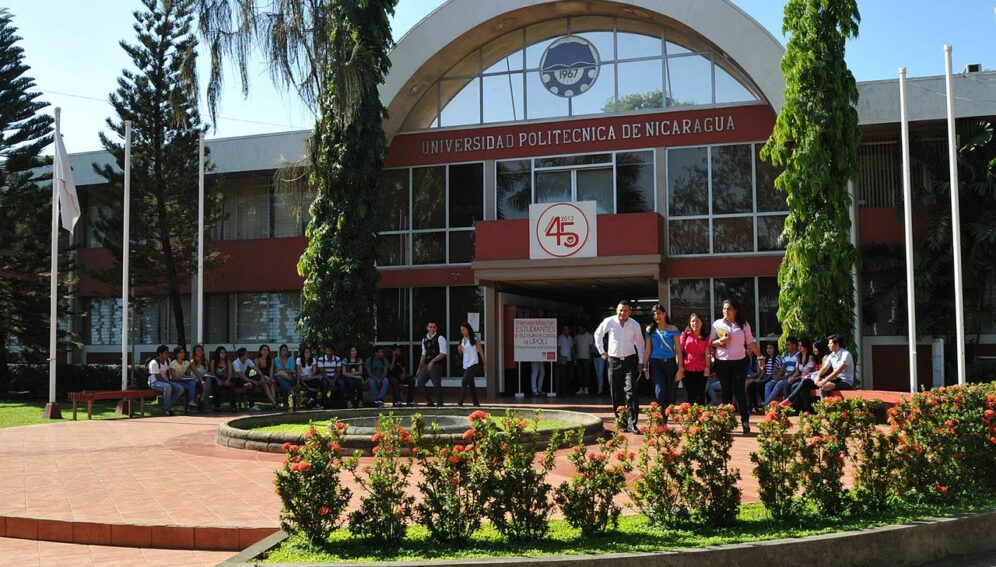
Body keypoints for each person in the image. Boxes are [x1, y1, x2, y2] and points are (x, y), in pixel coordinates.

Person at [709, 298, 761, 434]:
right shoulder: (717, 324)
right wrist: (720, 341)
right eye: (724, 308)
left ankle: (745, 421)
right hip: (722, 362)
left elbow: (750, 342)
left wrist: (760, 357)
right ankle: (726, 422)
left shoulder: (743, 324)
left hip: (739, 362)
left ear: (735, 311)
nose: (726, 311)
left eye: (729, 309)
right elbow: (710, 343)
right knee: (726, 392)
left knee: (739, 391)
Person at [594, 300, 646, 433]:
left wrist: (641, 362)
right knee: (616, 392)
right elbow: (598, 334)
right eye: (620, 310)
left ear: (630, 311)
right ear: (617, 310)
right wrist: (602, 351)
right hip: (613, 361)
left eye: (625, 310)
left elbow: (640, 344)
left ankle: (632, 423)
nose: (622, 313)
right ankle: (622, 422)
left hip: (630, 361)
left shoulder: (634, 324)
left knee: (631, 391)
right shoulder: (609, 321)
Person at [644, 304, 683, 414]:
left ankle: (665, 415)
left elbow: (678, 350)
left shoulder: (673, 329)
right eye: (654, 314)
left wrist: (680, 369)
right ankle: (662, 417)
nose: (657, 316)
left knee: (670, 392)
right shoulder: (650, 330)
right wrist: (645, 367)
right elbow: (648, 350)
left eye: (659, 313)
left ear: (664, 314)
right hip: (655, 363)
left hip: (670, 363)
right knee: (659, 391)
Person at [781, 341, 829, 412]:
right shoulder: (816, 357)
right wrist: (792, 377)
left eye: (815, 348)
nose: (814, 350)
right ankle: (804, 409)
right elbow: (798, 371)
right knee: (794, 385)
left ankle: (791, 402)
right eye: (813, 348)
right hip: (813, 379)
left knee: (800, 384)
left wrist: (810, 375)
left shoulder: (825, 358)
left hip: (821, 380)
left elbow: (822, 372)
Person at [680, 313, 710, 405]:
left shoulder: (706, 337)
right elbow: (679, 351)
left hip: (701, 369)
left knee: (701, 395)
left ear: (701, 323)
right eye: (693, 321)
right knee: (689, 396)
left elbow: (707, 353)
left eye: (697, 321)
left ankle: (701, 413)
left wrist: (708, 367)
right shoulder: (685, 335)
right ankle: (689, 413)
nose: (695, 323)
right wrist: (680, 367)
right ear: (690, 323)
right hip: (687, 368)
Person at [416, 321, 447, 407]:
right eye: (430, 327)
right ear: (427, 328)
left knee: (436, 385)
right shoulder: (424, 339)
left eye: (434, 327)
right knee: (420, 382)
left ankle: (440, 404)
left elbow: (443, 353)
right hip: (425, 365)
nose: (432, 329)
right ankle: (429, 402)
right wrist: (419, 368)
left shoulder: (440, 338)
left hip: (436, 365)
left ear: (436, 328)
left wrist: (432, 361)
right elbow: (423, 354)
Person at [763, 337, 800, 406]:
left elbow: (794, 371)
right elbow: (782, 369)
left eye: (788, 345)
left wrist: (782, 378)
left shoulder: (798, 356)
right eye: (786, 345)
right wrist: (778, 376)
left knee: (779, 384)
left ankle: (766, 404)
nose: (786, 347)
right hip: (784, 377)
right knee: (768, 385)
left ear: (794, 345)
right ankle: (769, 405)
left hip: (791, 377)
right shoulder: (786, 356)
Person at [148, 344, 182, 416]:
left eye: (168, 353)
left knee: (180, 388)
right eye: (166, 353)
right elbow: (158, 378)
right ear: (160, 354)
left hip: (165, 381)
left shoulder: (168, 360)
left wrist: (171, 381)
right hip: (154, 382)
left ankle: (168, 406)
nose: (168, 355)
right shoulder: (154, 363)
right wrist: (170, 384)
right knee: (168, 387)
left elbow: (167, 372)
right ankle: (167, 409)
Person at [457, 322, 486, 407]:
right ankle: (476, 403)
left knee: (464, 381)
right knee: (471, 384)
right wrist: (459, 349)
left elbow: (481, 351)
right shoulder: (462, 340)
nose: (462, 332)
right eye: (461, 330)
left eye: (464, 329)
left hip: (474, 363)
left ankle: (460, 403)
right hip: (466, 364)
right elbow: (461, 354)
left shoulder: (475, 339)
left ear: (468, 329)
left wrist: (485, 363)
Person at [749, 343, 781, 412]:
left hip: (772, 378)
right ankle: (755, 406)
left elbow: (781, 369)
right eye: (767, 348)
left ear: (774, 349)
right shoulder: (765, 358)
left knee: (760, 386)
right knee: (751, 386)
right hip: (765, 377)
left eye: (770, 348)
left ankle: (765, 404)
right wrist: (760, 378)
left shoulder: (777, 358)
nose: (768, 350)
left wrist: (778, 377)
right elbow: (764, 371)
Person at [233, 348, 261, 412]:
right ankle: (252, 406)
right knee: (250, 384)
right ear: (243, 355)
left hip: (246, 379)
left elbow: (256, 369)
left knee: (255, 377)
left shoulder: (248, 360)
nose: (248, 354)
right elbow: (241, 376)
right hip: (238, 380)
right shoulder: (235, 363)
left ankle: (252, 406)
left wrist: (262, 376)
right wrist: (252, 381)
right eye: (247, 353)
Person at [209, 346, 236, 412]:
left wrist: (228, 380)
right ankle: (217, 406)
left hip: (226, 378)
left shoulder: (228, 361)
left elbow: (230, 373)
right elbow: (212, 373)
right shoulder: (213, 361)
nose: (224, 354)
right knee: (217, 387)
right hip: (217, 378)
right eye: (222, 353)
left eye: (224, 352)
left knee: (231, 387)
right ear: (218, 353)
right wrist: (218, 380)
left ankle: (233, 406)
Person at [273, 344, 297, 409]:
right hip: (282, 379)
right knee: (280, 379)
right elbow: (275, 370)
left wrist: (281, 370)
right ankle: (291, 392)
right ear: (280, 351)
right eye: (283, 350)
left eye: (286, 350)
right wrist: (284, 372)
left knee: (282, 382)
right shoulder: (276, 359)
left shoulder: (291, 359)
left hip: (291, 379)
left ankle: (285, 404)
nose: (285, 352)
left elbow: (292, 371)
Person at [574, 324, 595, 395]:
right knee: (579, 374)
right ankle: (581, 388)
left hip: (586, 357)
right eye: (579, 328)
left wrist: (590, 357)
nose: (579, 330)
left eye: (581, 328)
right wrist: (575, 357)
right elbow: (575, 347)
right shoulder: (577, 336)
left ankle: (586, 388)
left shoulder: (589, 336)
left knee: (587, 373)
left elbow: (591, 347)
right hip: (579, 357)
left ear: (584, 328)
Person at [188, 344, 211, 409]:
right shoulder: (192, 362)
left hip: (205, 378)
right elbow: (197, 374)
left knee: (208, 380)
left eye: (201, 350)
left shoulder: (205, 361)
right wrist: (203, 383)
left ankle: (202, 397)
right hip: (196, 380)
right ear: (195, 352)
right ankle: (203, 401)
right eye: (198, 350)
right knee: (207, 384)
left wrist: (210, 373)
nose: (200, 352)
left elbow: (208, 371)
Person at [556, 325, 574, 396]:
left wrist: (574, 358)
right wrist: (558, 358)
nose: (566, 330)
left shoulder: (570, 338)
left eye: (567, 329)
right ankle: (563, 391)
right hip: (563, 358)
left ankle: (568, 390)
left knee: (570, 375)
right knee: (564, 376)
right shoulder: (560, 338)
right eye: (564, 329)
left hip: (569, 358)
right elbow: (558, 348)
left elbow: (572, 349)